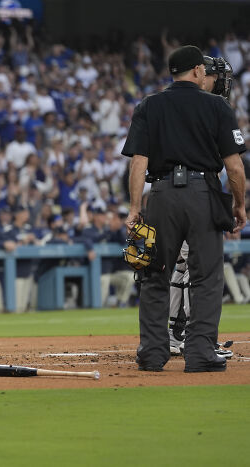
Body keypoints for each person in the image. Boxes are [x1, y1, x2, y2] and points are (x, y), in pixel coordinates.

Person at [122, 45, 247, 373]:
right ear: (195, 70)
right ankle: (201, 352)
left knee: (153, 275)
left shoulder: (149, 105)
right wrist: (239, 204)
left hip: (161, 194)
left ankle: (151, 353)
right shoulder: (216, 105)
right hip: (202, 193)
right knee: (206, 276)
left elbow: (139, 161)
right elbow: (234, 167)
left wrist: (135, 207)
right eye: (202, 70)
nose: (205, 74)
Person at [168, 55, 237, 359]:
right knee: (193, 267)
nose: (223, 83)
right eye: (218, 77)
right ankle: (182, 333)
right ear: (201, 74)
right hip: (188, 190)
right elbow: (232, 165)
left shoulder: (180, 104)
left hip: (169, 191)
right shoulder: (207, 107)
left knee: (183, 264)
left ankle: (177, 332)